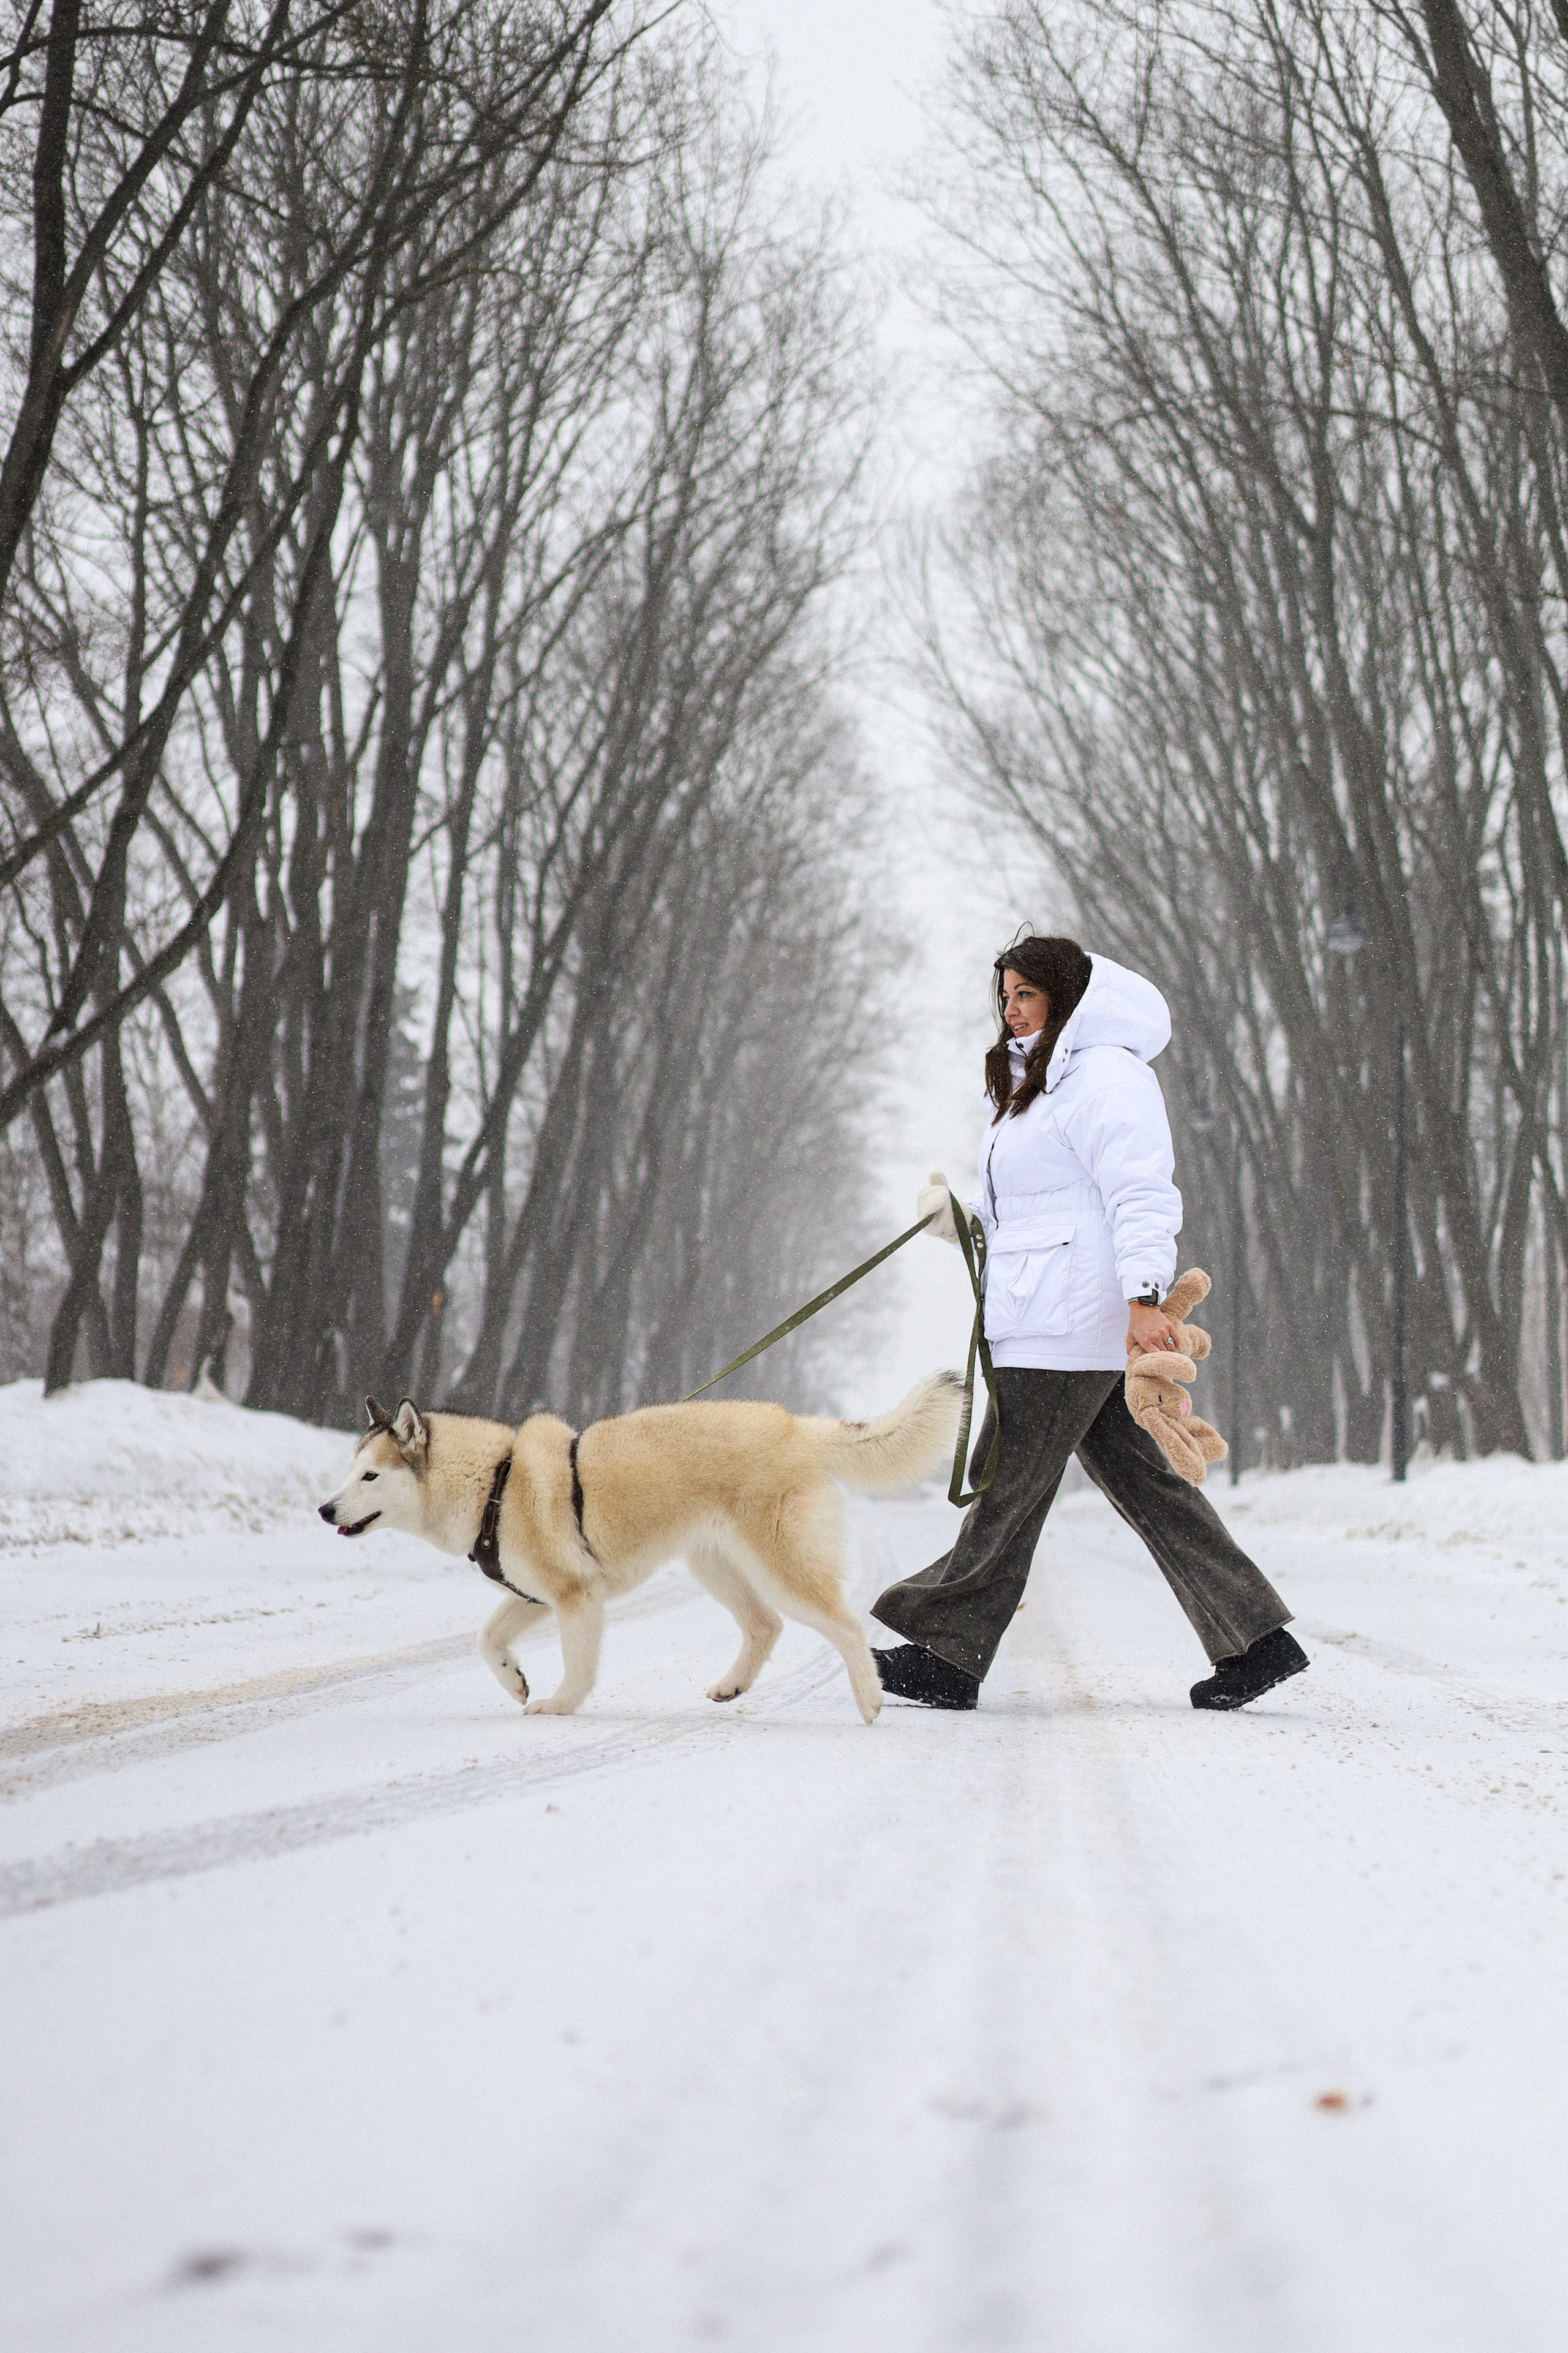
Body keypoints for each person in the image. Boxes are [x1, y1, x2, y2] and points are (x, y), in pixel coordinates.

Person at [870, 934, 1307, 1713]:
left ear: (1066, 997)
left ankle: (946, 1650)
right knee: (1149, 1487)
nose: (1010, 1009)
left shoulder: (1105, 1075)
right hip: (1056, 1316)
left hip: (1068, 1326)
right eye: (1004, 995)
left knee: (1008, 1488)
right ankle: (1255, 1640)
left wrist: (1144, 1297)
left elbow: (1139, 1192)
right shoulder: (1034, 1086)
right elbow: (1041, 1210)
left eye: (1026, 994)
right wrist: (961, 1221)